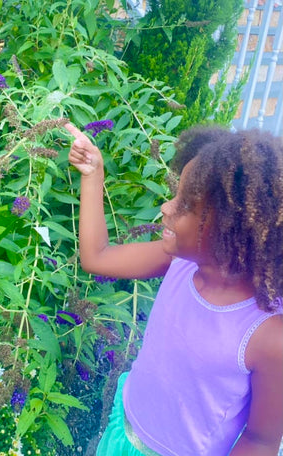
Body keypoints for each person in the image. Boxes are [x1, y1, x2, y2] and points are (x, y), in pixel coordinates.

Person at [65, 122, 283, 456]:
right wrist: (93, 174)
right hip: (125, 435)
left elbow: (261, 440)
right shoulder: (180, 262)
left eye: (185, 206)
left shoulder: (268, 335)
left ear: (231, 230)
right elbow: (97, 257)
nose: (166, 208)